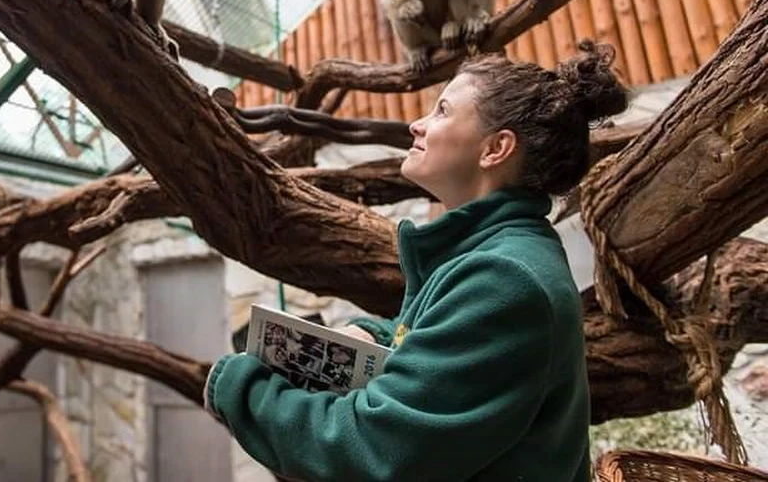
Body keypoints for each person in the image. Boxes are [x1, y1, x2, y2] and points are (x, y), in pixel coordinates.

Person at [204, 41, 629, 482]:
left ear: (496, 148)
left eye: (442, 111)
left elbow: (374, 447)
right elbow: (438, 341)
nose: (416, 124)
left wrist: (240, 387)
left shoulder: (504, 279)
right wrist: (370, 335)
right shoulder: (491, 253)